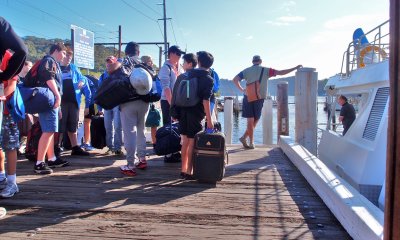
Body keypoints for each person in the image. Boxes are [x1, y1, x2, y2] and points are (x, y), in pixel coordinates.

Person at [233, 55, 302, 149]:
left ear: (252, 61)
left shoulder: (246, 70)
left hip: (247, 96)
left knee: (250, 120)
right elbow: (281, 72)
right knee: (255, 119)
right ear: (260, 61)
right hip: (259, 97)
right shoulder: (266, 70)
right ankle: (250, 141)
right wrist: (295, 68)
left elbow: (235, 80)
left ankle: (246, 138)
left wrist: (242, 90)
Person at [173, 51, 214, 179]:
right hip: (196, 113)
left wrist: (175, 112)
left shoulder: (187, 74)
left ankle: (183, 169)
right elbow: (205, 100)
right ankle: (189, 171)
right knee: (192, 141)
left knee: (184, 141)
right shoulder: (208, 78)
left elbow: (176, 94)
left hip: (183, 110)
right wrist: (209, 119)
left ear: (199, 62)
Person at [0, 17, 28, 199]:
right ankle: (2, 176)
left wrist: (2, 99)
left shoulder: (8, 57)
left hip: (7, 109)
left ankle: (12, 183)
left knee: (10, 146)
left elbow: (12, 83)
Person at [34, 42, 69, 174]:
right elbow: (49, 78)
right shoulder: (49, 61)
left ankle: (52, 158)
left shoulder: (51, 62)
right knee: (48, 131)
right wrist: (57, 96)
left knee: (49, 130)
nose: (64, 55)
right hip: (50, 100)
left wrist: (58, 106)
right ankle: (39, 163)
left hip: (49, 101)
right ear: (56, 50)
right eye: (63, 52)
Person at [118, 42, 151, 176]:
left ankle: (130, 165)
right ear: (138, 52)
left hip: (128, 103)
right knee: (141, 129)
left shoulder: (124, 62)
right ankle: (142, 159)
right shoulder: (145, 64)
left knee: (129, 132)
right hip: (144, 102)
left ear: (126, 52)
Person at [59, 47, 91, 156]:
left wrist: (81, 81)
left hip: (74, 101)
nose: (68, 58)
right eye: (67, 56)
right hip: (60, 101)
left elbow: (83, 78)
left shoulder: (73, 67)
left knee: (73, 125)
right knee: (60, 125)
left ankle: (75, 147)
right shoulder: (56, 67)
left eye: (70, 57)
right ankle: (56, 147)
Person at [159, 45, 185, 162]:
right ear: (171, 53)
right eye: (178, 54)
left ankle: (175, 150)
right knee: (168, 126)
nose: (180, 56)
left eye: (180, 54)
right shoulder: (166, 68)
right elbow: (166, 88)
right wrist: (172, 105)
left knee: (177, 127)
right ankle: (168, 154)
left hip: (179, 102)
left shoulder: (179, 67)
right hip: (168, 101)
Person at [97, 65, 123, 155]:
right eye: (107, 63)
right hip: (106, 104)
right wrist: (99, 107)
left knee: (117, 126)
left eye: (112, 62)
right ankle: (109, 147)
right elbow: (99, 91)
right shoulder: (103, 76)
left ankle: (118, 148)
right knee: (108, 126)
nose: (109, 65)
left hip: (117, 104)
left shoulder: (121, 75)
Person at [141, 55, 159, 145]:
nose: (152, 63)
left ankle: (152, 142)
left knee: (152, 123)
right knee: (152, 124)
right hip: (147, 100)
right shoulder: (148, 73)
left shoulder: (137, 71)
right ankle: (154, 143)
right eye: (150, 61)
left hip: (148, 101)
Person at [81, 75, 98, 151]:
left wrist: (87, 107)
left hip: (94, 103)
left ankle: (88, 142)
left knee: (89, 122)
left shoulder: (81, 78)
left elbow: (89, 94)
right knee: (89, 122)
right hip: (95, 102)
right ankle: (88, 142)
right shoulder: (85, 78)